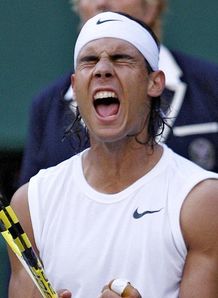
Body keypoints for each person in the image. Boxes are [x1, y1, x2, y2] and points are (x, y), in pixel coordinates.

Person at [8, 12, 218, 298]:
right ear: (74, 85)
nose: (102, 70)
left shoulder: (202, 202)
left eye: (121, 58)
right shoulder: (29, 205)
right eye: (89, 61)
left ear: (155, 83)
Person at [18, 0, 218, 188]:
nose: (101, 3)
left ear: (151, 6)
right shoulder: (47, 106)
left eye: (121, 58)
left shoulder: (211, 86)